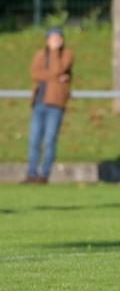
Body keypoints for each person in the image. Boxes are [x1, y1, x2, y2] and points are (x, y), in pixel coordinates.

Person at [24, 27, 74, 184]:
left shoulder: (66, 54)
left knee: (50, 139)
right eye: (52, 38)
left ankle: (44, 174)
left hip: (56, 104)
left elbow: (59, 68)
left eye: (58, 38)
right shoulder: (39, 55)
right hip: (39, 102)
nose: (55, 41)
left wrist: (54, 53)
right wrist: (56, 77)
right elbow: (35, 73)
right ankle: (31, 173)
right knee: (34, 139)